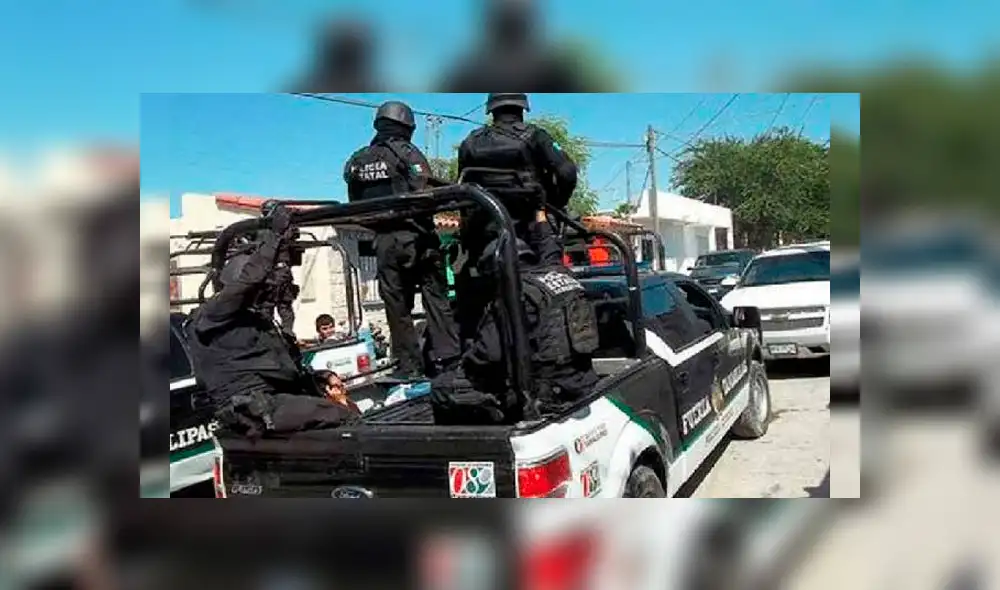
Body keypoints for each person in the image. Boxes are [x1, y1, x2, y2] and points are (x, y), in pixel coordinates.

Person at [185, 205, 356, 436]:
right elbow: (249, 281)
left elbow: (279, 368)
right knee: (340, 415)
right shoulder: (215, 313)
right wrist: (274, 237)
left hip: (270, 402)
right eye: (262, 290)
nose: (266, 297)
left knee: (342, 408)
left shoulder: (253, 320)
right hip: (253, 409)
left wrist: (319, 377)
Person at [431, 211, 600, 424]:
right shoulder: (560, 273)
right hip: (582, 381)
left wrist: (464, 364)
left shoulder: (513, 297)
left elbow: (489, 354)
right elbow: (549, 246)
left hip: (545, 394)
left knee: (441, 388)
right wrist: (539, 214)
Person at [343, 100, 460, 380]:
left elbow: (356, 205)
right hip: (416, 237)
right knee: (435, 298)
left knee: (396, 306)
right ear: (407, 126)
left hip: (383, 241)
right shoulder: (406, 153)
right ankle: (450, 361)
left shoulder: (358, 160)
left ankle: (408, 366)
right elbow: (425, 191)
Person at [454, 92, 579, 342]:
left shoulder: (471, 142)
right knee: (551, 282)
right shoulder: (535, 136)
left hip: (486, 234)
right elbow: (567, 172)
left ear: (491, 110)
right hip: (532, 228)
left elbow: (463, 189)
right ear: (522, 108)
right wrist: (556, 202)